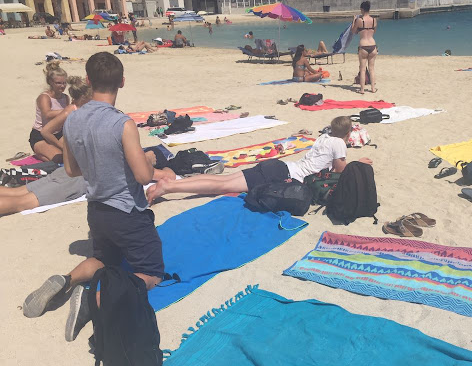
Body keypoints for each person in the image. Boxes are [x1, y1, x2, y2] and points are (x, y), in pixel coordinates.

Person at [21, 52, 169, 341]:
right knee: (151, 272)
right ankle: (93, 300)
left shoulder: (73, 120)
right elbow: (142, 176)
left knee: (104, 258)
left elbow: (71, 169)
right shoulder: (122, 123)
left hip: (97, 211)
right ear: (122, 82)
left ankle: (66, 280)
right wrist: (150, 160)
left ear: (88, 80)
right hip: (127, 212)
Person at [146, 116, 372, 204]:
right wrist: (359, 163)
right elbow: (340, 171)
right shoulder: (339, 143)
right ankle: (169, 187)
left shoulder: (325, 137)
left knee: (223, 181)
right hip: (282, 175)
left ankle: (171, 184)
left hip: (281, 167)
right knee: (221, 185)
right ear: (348, 133)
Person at [29, 62, 69, 163]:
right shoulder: (44, 97)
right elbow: (47, 114)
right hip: (40, 135)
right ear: (51, 82)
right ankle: (40, 153)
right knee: (58, 158)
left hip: (58, 133)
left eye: (64, 83)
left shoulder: (65, 97)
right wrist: (67, 110)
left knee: (71, 155)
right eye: (58, 83)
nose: (62, 86)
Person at [351, 0, 378, 94]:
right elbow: (374, 31)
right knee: (372, 69)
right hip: (373, 45)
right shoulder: (374, 20)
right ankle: (373, 88)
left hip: (363, 46)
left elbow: (353, 31)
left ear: (362, 9)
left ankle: (362, 90)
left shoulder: (359, 20)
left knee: (362, 69)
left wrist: (353, 21)